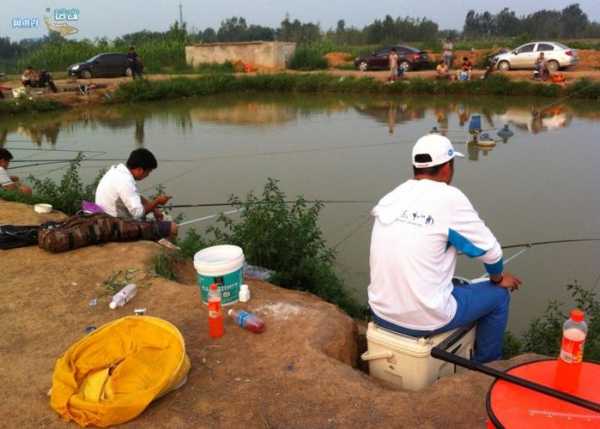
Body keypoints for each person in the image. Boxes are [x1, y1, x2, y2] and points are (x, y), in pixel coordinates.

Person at [368, 134, 522, 363]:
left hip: (380, 312)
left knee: (456, 285)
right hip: (425, 319)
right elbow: (491, 252)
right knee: (498, 296)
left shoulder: (392, 196)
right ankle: (487, 366)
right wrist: (498, 278)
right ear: (447, 168)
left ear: (415, 166)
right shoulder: (450, 197)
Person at [95, 148, 177, 238]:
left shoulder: (116, 171)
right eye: (148, 172)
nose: (147, 175)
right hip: (114, 225)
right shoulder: (126, 181)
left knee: (154, 218)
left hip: (104, 218)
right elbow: (138, 213)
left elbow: (135, 195)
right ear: (140, 170)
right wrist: (157, 201)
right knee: (172, 227)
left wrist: (154, 209)